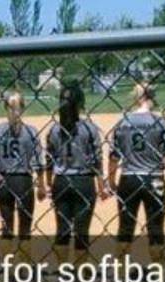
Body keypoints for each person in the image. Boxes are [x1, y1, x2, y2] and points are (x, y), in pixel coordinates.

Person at [108, 83, 165, 266]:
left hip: (129, 178)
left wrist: (111, 181)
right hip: (154, 179)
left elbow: (113, 156)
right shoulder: (159, 121)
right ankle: (158, 273)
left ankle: (121, 273)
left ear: (136, 98)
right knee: (155, 228)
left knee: (125, 227)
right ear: (151, 98)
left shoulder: (123, 121)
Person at [44, 80, 104, 265]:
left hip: (60, 181)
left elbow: (48, 160)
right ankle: (79, 272)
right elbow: (97, 160)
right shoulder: (89, 128)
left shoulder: (54, 129)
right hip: (84, 181)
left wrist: (48, 182)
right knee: (82, 230)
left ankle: (63, 271)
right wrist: (101, 185)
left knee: (62, 229)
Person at [0, 91, 44, 259]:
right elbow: (38, 161)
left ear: (5, 107)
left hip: (4, 180)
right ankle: (24, 266)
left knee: (6, 226)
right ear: (23, 108)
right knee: (25, 227)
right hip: (24, 181)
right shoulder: (31, 131)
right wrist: (41, 185)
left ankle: (7, 266)